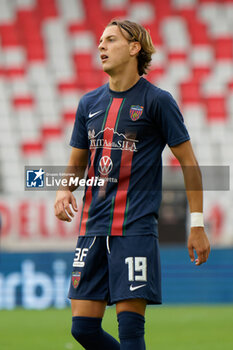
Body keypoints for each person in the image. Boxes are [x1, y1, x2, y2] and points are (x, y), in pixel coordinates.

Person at [54, 19, 210, 350]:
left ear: (134, 48)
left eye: (110, 40)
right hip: (92, 227)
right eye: (100, 41)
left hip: (135, 230)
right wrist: (65, 188)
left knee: (130, 333)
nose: (101, 46)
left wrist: (196, 223)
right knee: (82, 328)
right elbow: (76, 164)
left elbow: (190, 163)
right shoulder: (89, 104)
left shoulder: (158, 101)